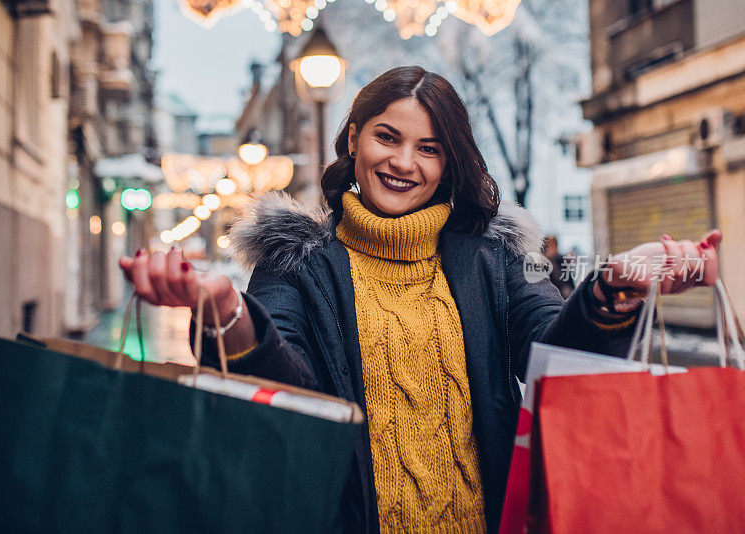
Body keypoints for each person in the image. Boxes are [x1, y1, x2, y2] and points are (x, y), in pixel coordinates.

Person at [119, 66, 721, 534]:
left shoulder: (492, 256)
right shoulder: (297, 261)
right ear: (354, 138)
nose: (404, 162)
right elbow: (291, 394)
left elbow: (550, 358)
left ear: (448, 162)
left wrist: (612, 288)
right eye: (388, 137)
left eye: (429, 148)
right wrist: (227, 313)